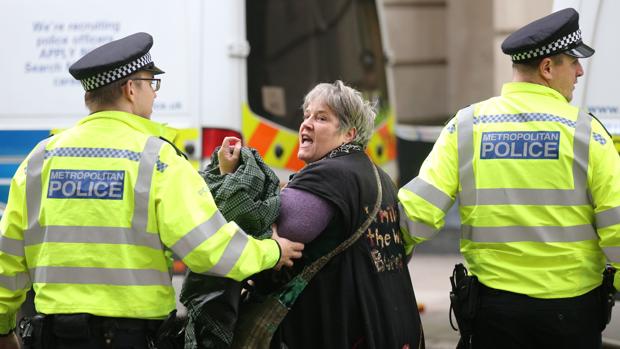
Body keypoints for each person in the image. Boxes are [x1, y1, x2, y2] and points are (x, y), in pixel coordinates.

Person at [0, 32, 304, 349]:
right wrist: (273, 250)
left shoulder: (40, 159)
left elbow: (7, 258)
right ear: (131, 89)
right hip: (128, 338)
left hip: (53, 337)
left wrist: (3, 328)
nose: (155, 95)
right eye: (151, 83)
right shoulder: (156, 160)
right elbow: (210, 251)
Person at [398, 8, 620, 349]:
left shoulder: (467, 126)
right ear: (547, 68)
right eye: (572, 61)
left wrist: (383, 251)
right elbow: (617, 228)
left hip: (492, 315)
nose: (579, 71)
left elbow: (418, 210)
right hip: (570, 316)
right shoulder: (587, 133)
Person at [221, 80, 424, 348]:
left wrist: (231, 177)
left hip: (343, 332)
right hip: (391, 325)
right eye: (306, 115)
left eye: (321, 118)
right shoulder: (380, 178)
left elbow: (273, 236)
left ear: (349, 134)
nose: (305, 124)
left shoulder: (330, 176)